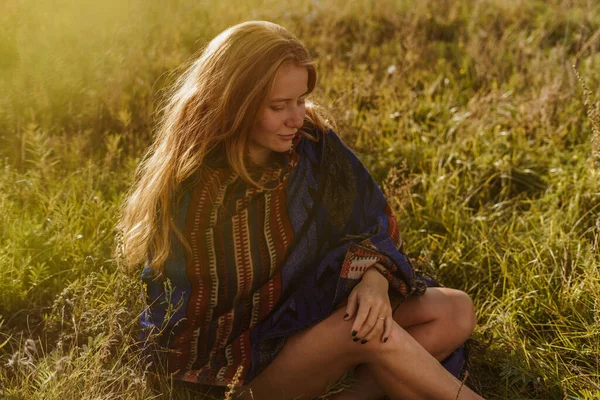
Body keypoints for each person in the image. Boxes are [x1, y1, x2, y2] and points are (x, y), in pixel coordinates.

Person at [117, 20, 484, 400]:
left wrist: (374, 280)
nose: (296, 117)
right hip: (242, 368)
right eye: (278, 106)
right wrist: (331, 310)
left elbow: (368, 217)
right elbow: (196, 322)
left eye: (300, 100)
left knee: (454, 312)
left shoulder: (310, 143)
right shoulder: (198, 187)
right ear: (235, 104)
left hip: (316, 324)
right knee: (362, 328)